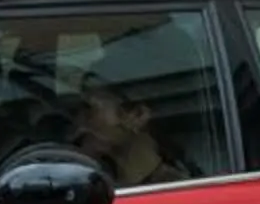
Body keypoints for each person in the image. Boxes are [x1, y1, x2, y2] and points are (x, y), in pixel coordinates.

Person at [64, 74, 194, 189]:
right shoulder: (104, 185)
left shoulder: (175, 188)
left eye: (89, 111)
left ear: (138, 115)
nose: (79, 124)